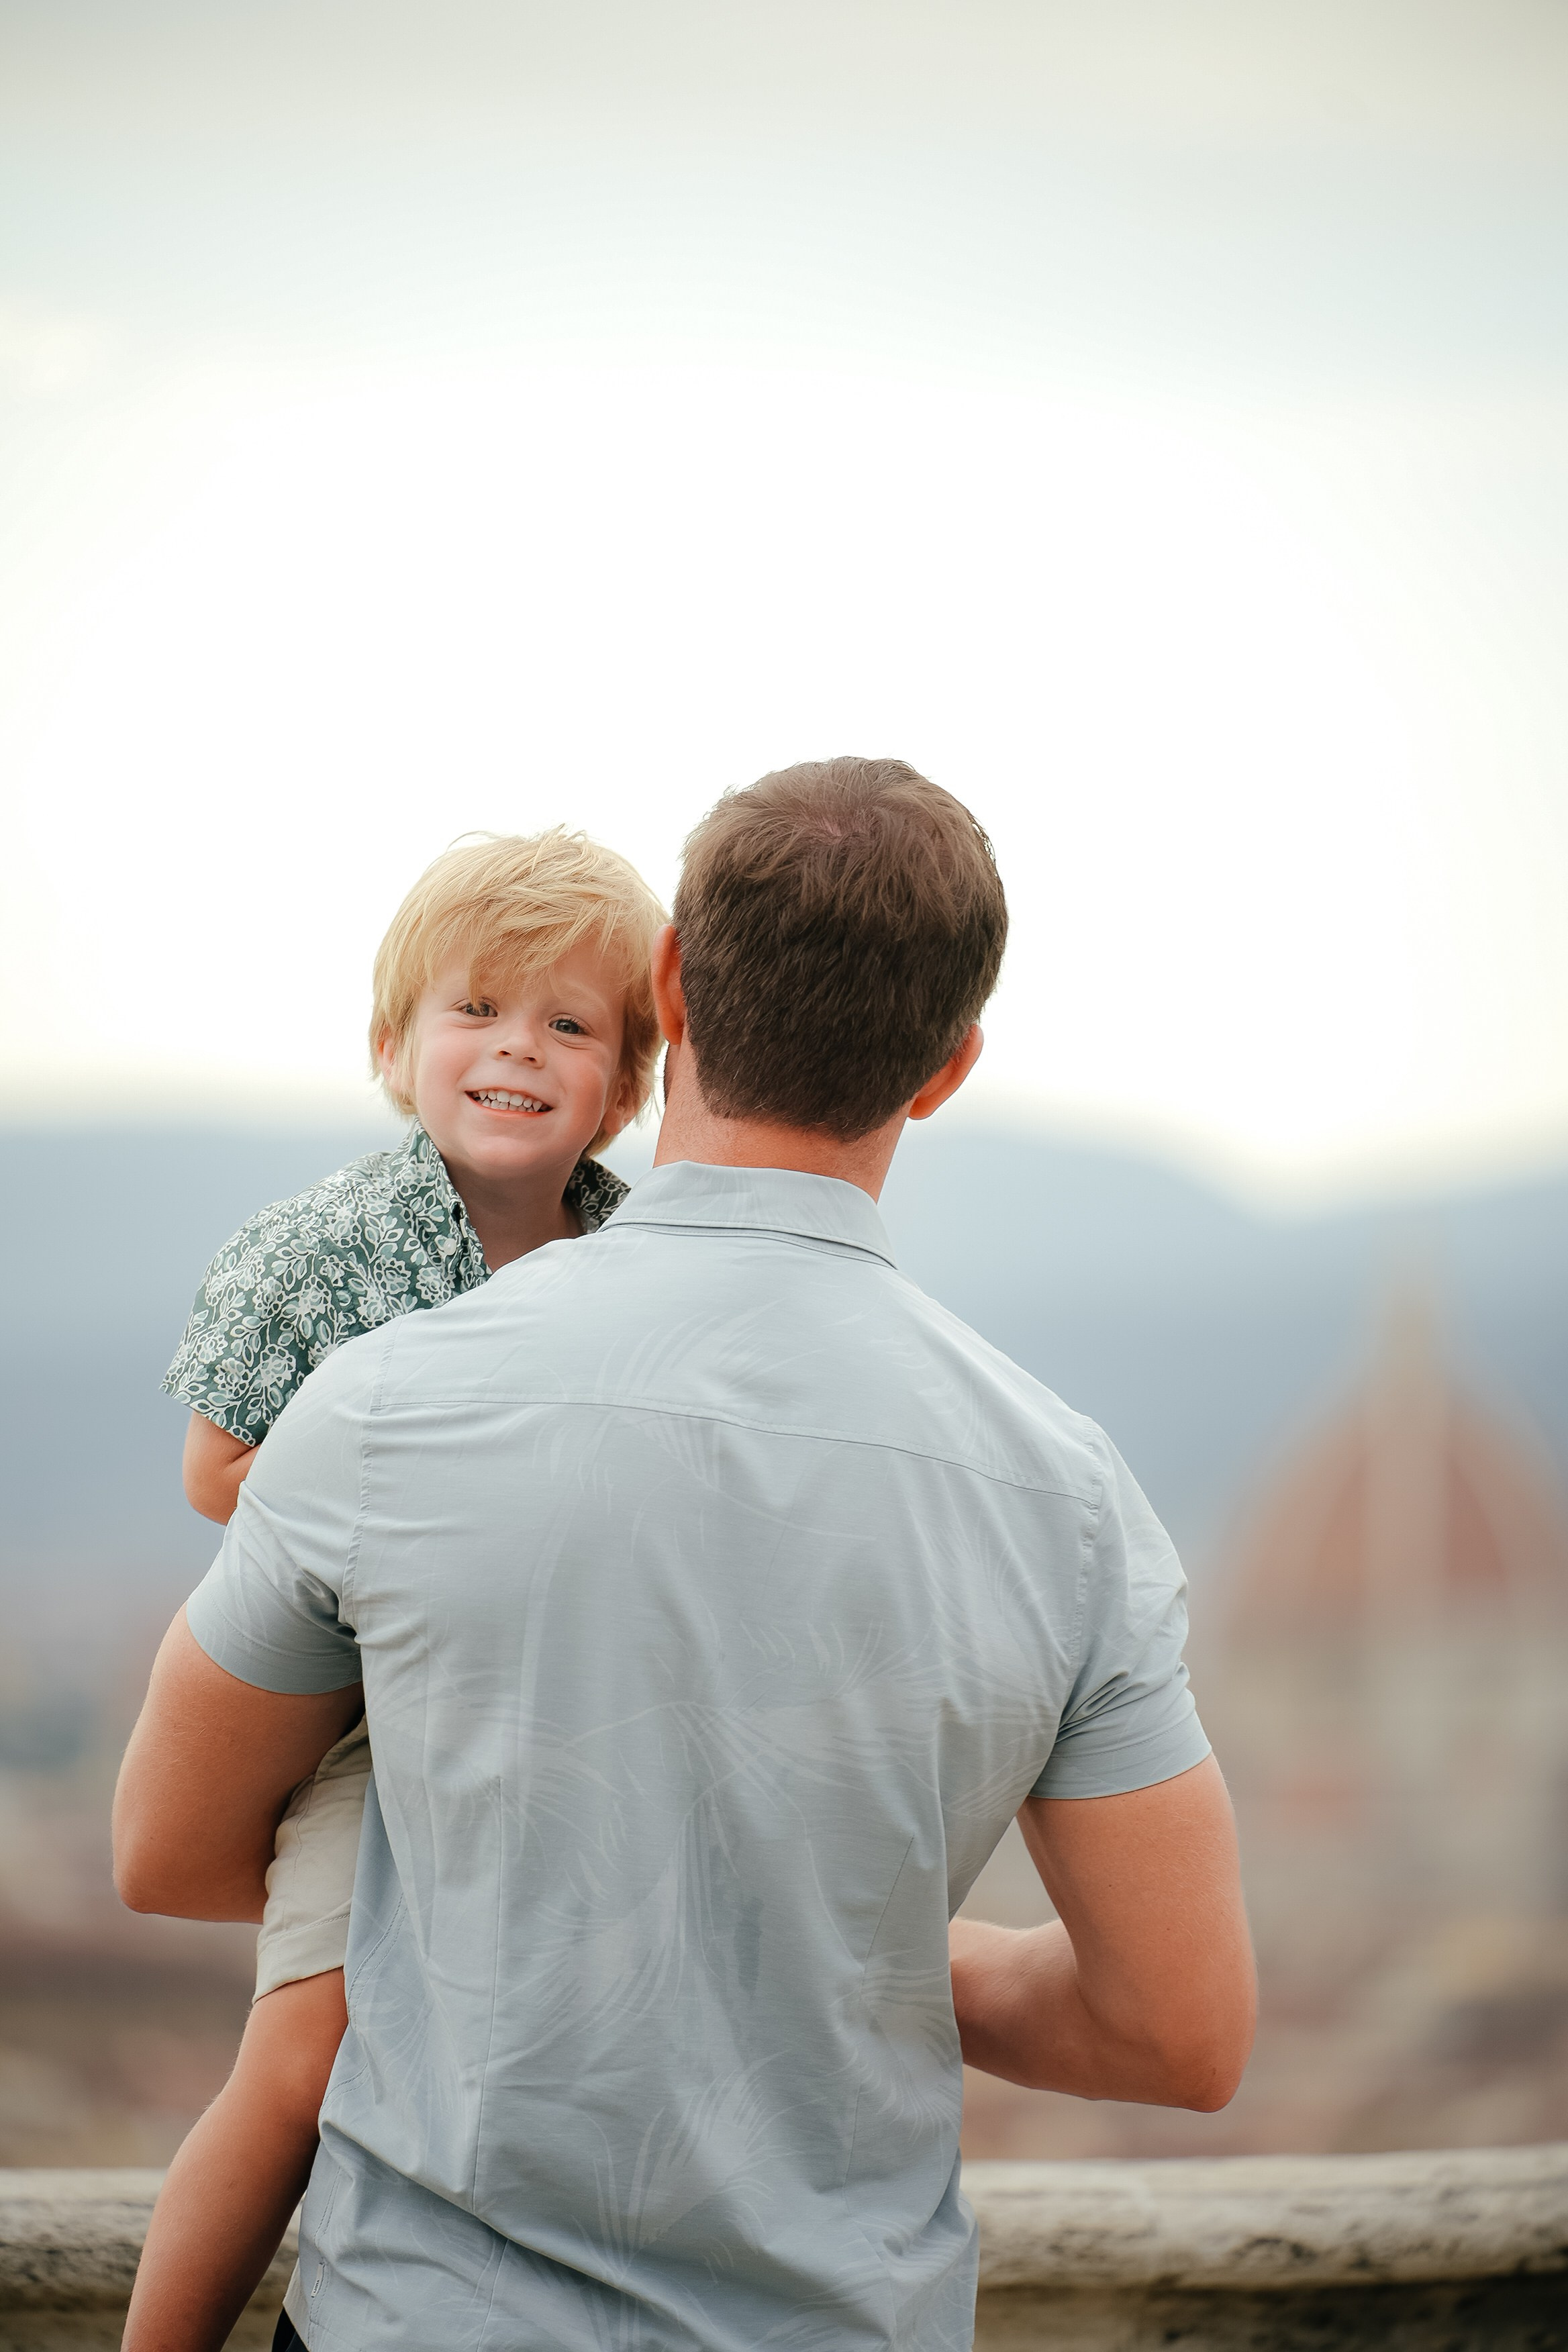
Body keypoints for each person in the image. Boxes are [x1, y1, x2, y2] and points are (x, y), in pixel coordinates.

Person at [115, 756, 1255, 2352]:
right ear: (946, 1068)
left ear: (668, 990)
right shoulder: (1069, 1498)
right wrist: (827, 1936)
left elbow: (165, 1850)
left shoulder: (383, 1401)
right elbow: (1180, 2033)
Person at [126, 826, 665, 2351]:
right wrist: (416, 1535)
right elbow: (215, 1472)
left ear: (624, 1085)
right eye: (475, 1011)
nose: (517, 1048)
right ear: (394, 1044)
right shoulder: (323, 1251)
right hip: (378, 1705)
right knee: (305, 2055)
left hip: (559, 1709)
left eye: (569, 1024)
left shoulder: (637, 1258)